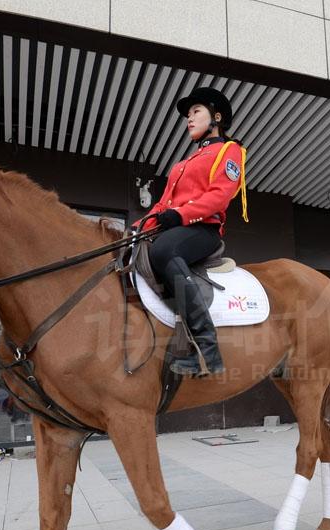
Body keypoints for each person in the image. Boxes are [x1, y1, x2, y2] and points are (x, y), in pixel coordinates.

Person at [135, 87, 248, 376]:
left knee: (163, 250)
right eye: (188, 114)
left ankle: (207, 348)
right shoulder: (183, 163)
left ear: (217, 117)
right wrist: (136, 229)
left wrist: (181, 214)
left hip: (203, 231)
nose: (189, 117)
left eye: (196, 111)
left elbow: (220, 196)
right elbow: (162, 204)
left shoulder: (229, 150)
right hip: (174, 227)